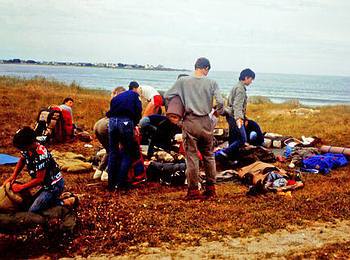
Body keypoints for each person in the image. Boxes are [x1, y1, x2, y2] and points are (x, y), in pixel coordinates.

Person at [165, 57, 224, 200]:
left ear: (196, 66)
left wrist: (177, 111)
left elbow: (167, 96)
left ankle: (193, 191)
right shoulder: (212, 82)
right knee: (209, 156)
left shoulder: (183, 81)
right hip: (206, 121)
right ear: (206, 68)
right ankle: (211, 188)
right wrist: (217, 112)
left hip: (190, 121)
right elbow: (221, 102)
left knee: (192, 158)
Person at [3, 127, 66, 212]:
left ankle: (65, 202)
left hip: (54, 186)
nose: (21, 150)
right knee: (29, 204)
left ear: (28, 144)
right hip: (46, 185)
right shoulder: (28, 148)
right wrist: (13, 176)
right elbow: (22, 159)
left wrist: (21, 187)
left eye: (21, 147)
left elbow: (39, 179)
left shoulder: (40, 155)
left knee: (33, 211)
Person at [107, 81, 142, 191]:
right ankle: (121, 183)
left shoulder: (119, 96)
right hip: (125, 122)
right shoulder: (135, 95)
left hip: (112, 122)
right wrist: (135, 124)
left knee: (113, 152)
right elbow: (138, 111)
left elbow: (110, 110)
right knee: (127, 152)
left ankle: (111, 184)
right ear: (136, 88)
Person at [215, 69, 255, 160]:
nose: (251, 81)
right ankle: (221, 154)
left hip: (231, 115)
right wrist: (239, 119)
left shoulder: (237, 86)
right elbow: (237, 106)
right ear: (246, 77)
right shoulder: (240, 89)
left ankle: (231, 158)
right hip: (235, 117)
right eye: (251, 79)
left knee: (233, 138)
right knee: (242, 139)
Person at [93, 87, 126, 181]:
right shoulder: (122, 103)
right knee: (117, 151)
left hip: (99, 124)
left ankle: (98, 172)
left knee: (109, 150)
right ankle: (107, 173)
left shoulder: (113, 102)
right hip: (108, 125)